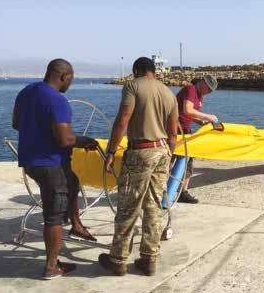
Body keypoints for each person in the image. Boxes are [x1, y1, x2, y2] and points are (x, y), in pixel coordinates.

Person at [12, 59, 98, 280]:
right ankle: (51, 267)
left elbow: (16, 124)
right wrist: (85, 140)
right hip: (49, 164)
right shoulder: (57, 100)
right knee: (54, 215)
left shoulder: (26, 92)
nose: (70, 83)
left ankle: (76, 225)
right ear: (64, 76)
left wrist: (38, 131)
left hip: (30, 161)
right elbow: (64, 139)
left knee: (72, 182)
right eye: (71, 78)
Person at [99, 57, 178, 276]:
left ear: (136, 70)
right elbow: (173, 133)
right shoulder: (169, 93)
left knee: (129, 205)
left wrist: (111, 151)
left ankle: (118, 259)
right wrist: (168, 156)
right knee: (154, 205)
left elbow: (123, 120)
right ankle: (149, 259)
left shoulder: (132, 86)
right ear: (154, 71)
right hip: (162, 151)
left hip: (140, 151)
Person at [174, 75, 218, 203]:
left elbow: (190, 114)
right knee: (169, 161)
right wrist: (208, 116)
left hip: (185, 131)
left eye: (211, 91)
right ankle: (161, 191)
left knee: (188, 162)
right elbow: (187, 110)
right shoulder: (190, 89)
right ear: (203, 83)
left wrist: (201, 122)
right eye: (208, 89)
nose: (209, 92)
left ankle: (183, 192)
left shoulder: (199, 95)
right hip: (174, 131)